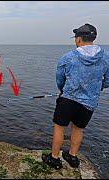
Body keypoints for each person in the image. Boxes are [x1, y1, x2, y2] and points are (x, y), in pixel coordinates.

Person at [42, 23, 109, 170]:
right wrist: (97, 88)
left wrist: (62, 90)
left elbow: (60, 79)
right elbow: (108, 80)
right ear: (93, 38)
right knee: (78, 129)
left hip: (68, 100)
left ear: (79, 39)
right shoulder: (106, 57)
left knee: (59, 128)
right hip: (89, 102)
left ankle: (54, 158)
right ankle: (72, 156)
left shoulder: (68, 57)